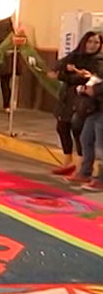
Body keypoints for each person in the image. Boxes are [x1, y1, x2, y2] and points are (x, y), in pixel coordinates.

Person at [48, 31, 102, 175]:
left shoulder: (98, 61)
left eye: (96, 42)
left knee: (79, 131)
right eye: (90, 42)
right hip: (67, 97)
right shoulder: (75, 55)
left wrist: (65, 76)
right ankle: (68, 162)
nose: (92, 45)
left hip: (84, 101)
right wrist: (64, 70)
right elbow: (57, 67)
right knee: (62, 127)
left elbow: (90, 80)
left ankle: (81, 167)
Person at [65, 75, 103, 192]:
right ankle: (85, 172)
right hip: (95, 107)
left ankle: (101, 179)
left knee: (101, 147)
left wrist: (95, 89)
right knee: (85, 139)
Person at [0, 17, 19, 112]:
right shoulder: (13, 35)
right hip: (11, 63)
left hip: (1, 62)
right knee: (7, 84)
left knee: (3, 84)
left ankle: (5, 104)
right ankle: (8, 104)